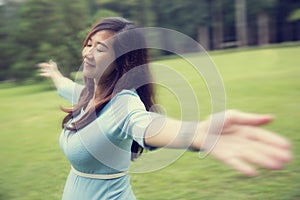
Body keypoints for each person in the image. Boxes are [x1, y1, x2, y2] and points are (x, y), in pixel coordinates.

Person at [38, 17, 292, 200]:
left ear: (121, 61)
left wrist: (197, 133)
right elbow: (65, 87)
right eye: (89, 43)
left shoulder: (123, 104)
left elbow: (146, 124)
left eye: (100, 48)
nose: (87, 52)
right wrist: (54, 74)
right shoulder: (87, 95)